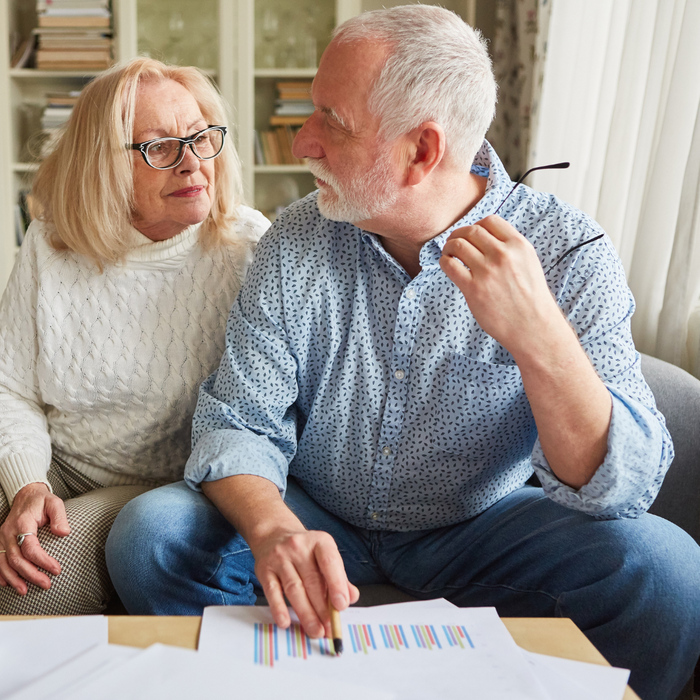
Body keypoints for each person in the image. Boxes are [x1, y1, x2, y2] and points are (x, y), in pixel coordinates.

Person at [106, 7, 700, 700]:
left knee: (667, 573)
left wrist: (540, 337)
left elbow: (621, 487)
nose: (302, 143)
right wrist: (273, 531)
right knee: (150, 537)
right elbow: (238, 422)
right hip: (317, 511)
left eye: (333, 121)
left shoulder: (569, 252)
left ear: (421, 150)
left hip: (487, 525)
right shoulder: (294, 243)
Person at [0, 57, 269, 615]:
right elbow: (12, 389)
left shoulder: (249, 246)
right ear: (104, 166)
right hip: (57, 465)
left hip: (169, 489)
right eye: (160, 147)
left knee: (22, 590)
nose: (193, 163)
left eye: (201, 138)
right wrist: (27, 485)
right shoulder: (51, 248)